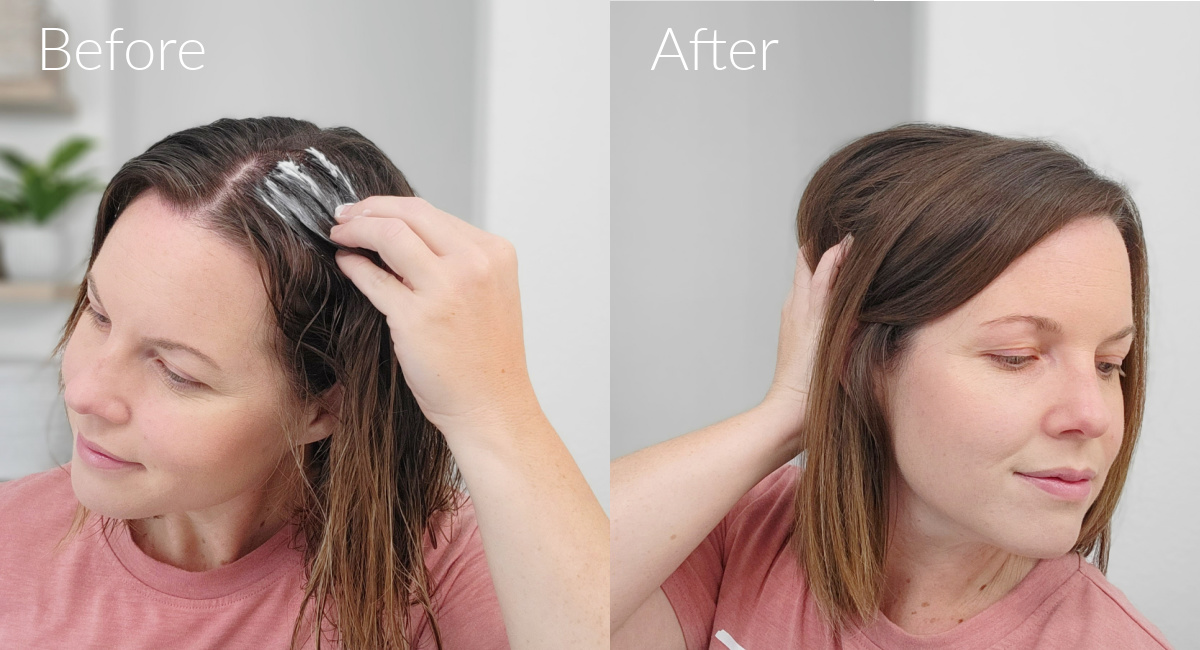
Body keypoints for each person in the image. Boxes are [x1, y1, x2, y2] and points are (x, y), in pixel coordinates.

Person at [0, 117, 607, 649]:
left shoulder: (446, 580)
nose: (84, 393)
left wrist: (494, 404)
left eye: (176, 371)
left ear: (325, 405)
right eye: (98, 314)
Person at [611, 124, 1173, 649]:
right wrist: (787, 412)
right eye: (1016, 357)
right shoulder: (738, 535)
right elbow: (542, 590)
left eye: (1109, 365)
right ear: (861, 354)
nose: (1092, 415)